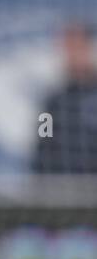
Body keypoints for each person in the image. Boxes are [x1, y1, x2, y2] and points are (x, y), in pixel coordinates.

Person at [34, 23, 97, 174]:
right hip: (64, 190)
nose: (72, 54)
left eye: (78, 47)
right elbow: (43, 144)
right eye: (67, 48)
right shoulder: (53, 102)